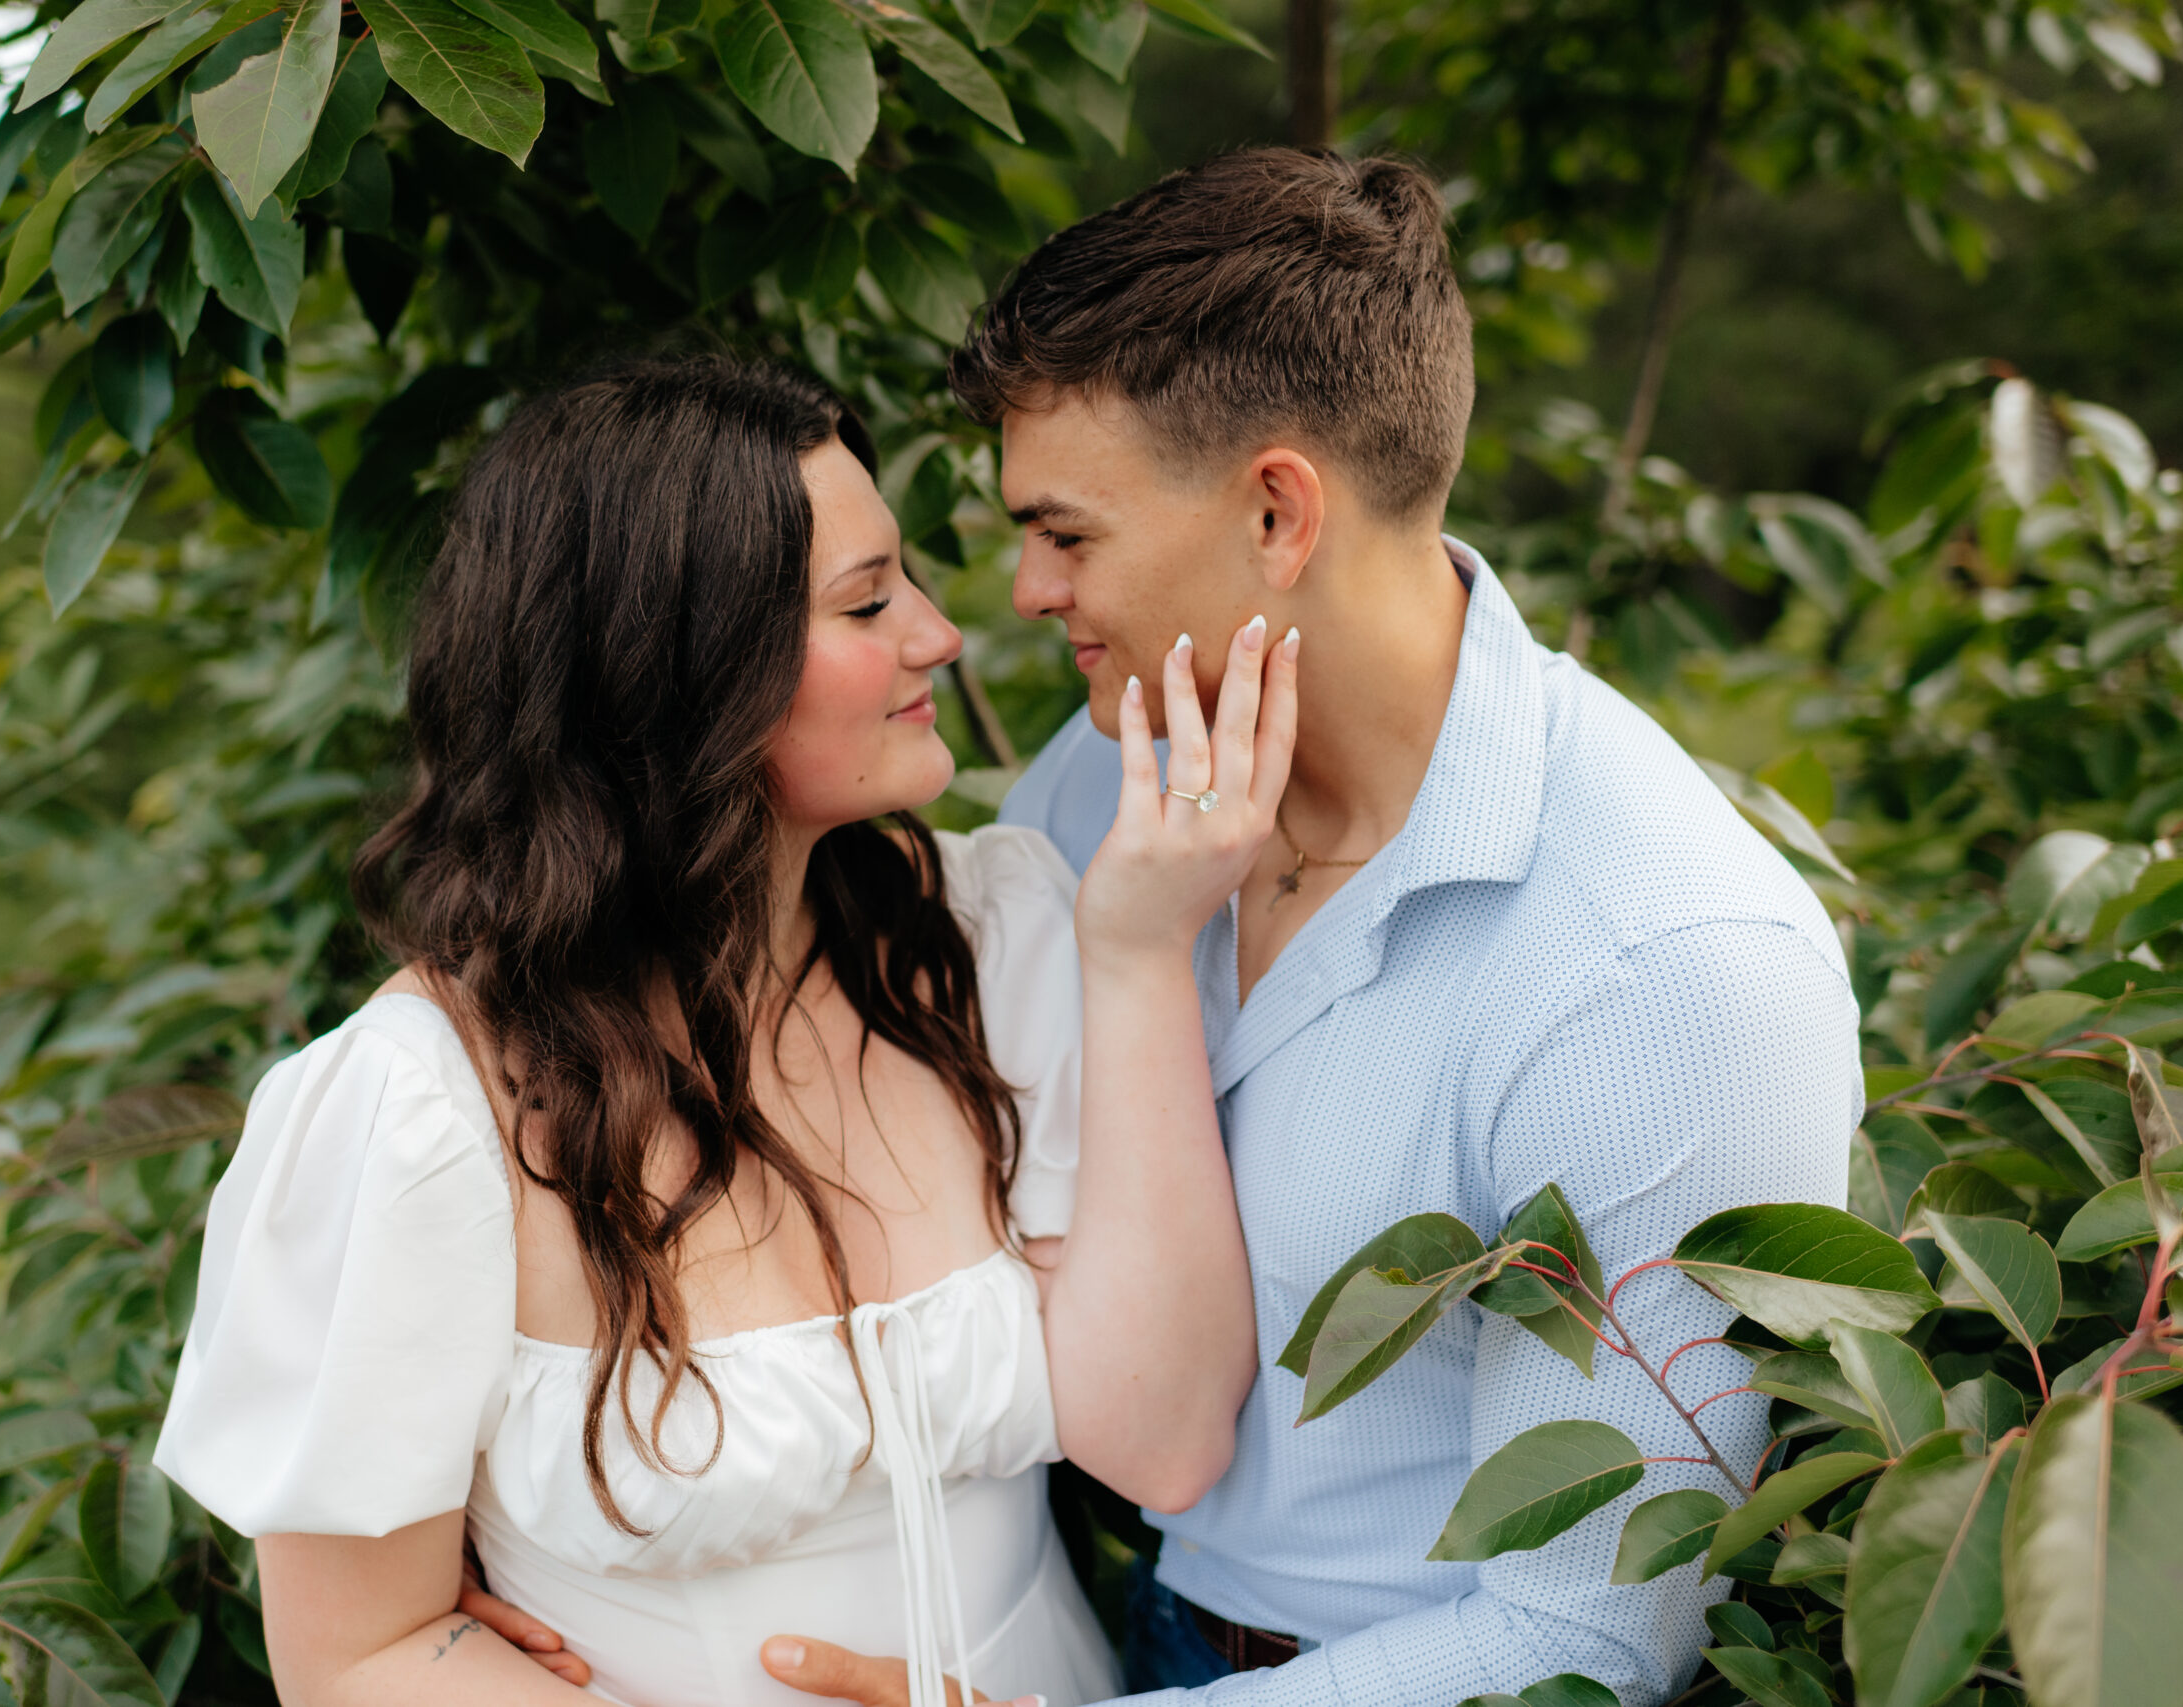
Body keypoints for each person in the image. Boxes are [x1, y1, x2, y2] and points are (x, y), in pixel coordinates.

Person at [735, 149, 1863, 1706]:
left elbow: (1590, 1644)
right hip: (1117, 1622)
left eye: (1068, 535)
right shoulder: (1104, 784)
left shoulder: (1658, 970)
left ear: (1278, 515)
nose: (1018, 591)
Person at [151, 359, 1299, 1707]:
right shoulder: (418, 1110)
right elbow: (357, 1655)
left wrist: (1144, 950)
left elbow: (1162, 1446)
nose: (941, 634)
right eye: (868, 602)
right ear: (679, 676)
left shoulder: (993, 941)